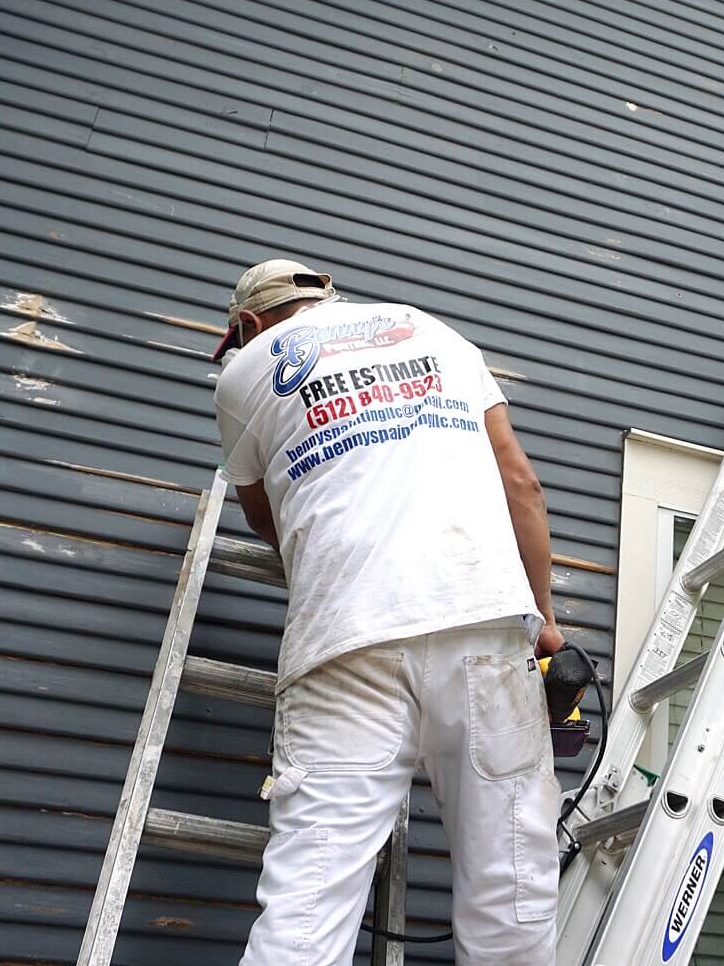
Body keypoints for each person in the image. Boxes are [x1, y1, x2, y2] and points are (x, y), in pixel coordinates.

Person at [211, 259, 565, 965]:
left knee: (308, 904)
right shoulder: (433, 331)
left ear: (248, 325)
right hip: (482, 619)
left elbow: (265, 517)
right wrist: (546, 619)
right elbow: (520, 482)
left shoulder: (247, 371)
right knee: (513, 888)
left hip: (343, 637)